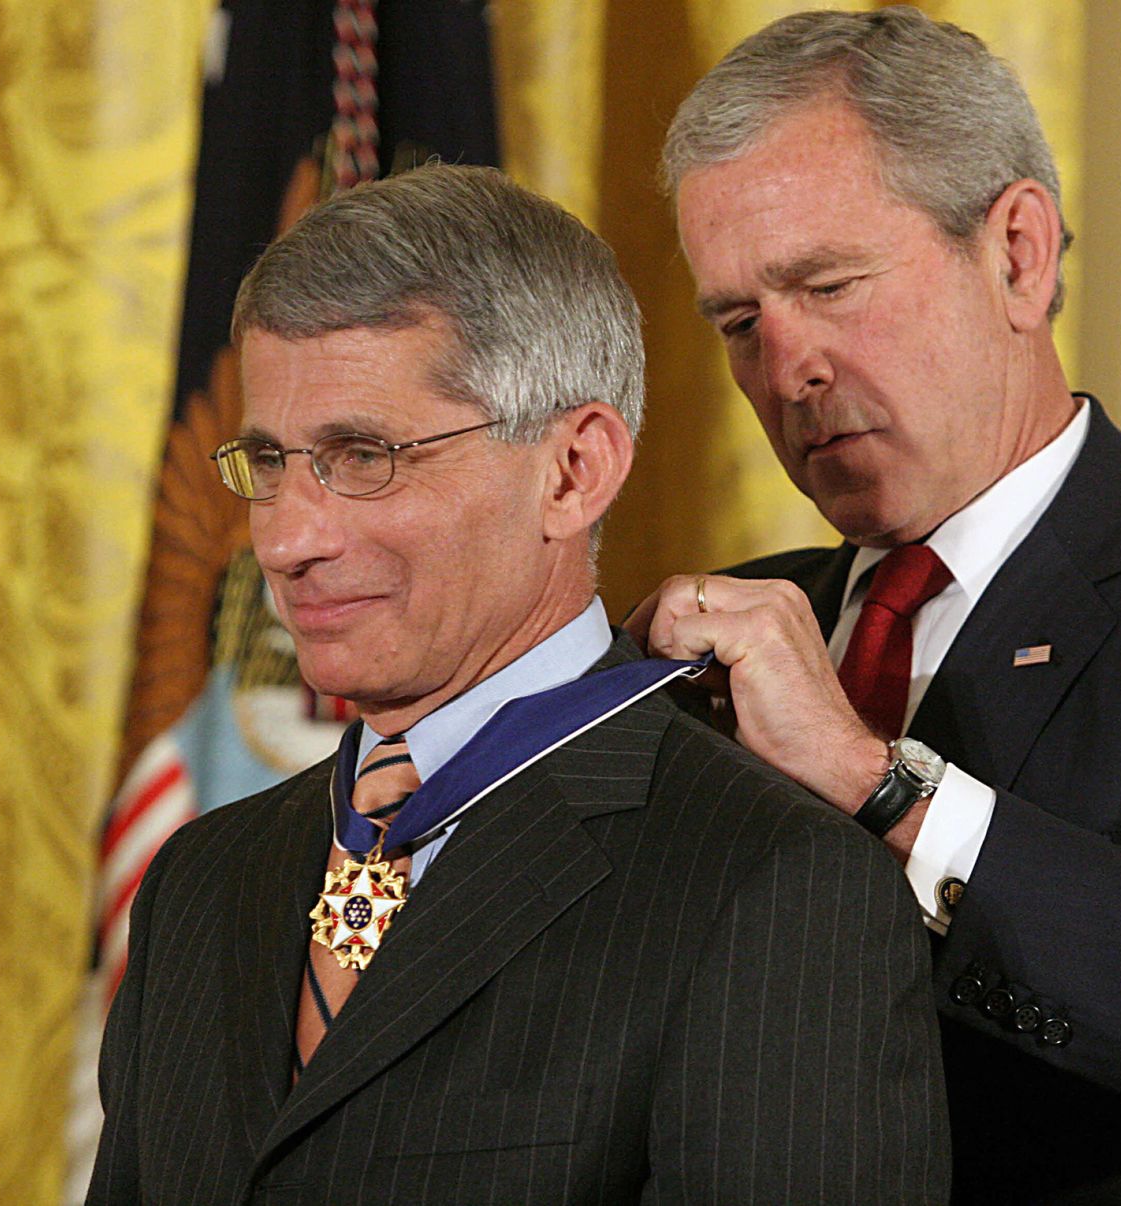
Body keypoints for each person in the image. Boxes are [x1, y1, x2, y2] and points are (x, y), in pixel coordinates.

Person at [630, 8, 1121, 1201]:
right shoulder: (707, 647)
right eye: (740, 323)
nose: (785, 369)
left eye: (831, 285)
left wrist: (880, 784)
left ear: (1018, 251)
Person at [88, 164, 949, 1203]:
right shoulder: (198, 879)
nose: (287, 538)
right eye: (269, 461)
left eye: (363, 455)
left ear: (573, 471)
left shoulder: (769, 886)